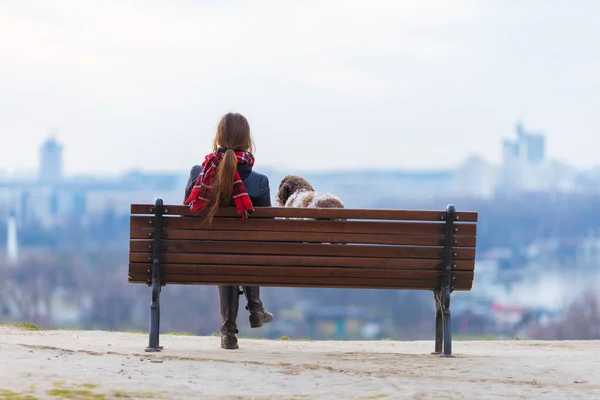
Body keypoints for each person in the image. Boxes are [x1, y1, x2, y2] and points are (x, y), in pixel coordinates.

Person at [183, 112, 274, 349]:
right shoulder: (260, 182)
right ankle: (255, 307)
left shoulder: (199, 174)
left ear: (218, 138)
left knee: (226, 253)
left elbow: (186, 215)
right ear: (248, 141)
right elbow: (268, 231)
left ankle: (228, 332)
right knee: (243, 250)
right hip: (245, 259)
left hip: (206, 256)